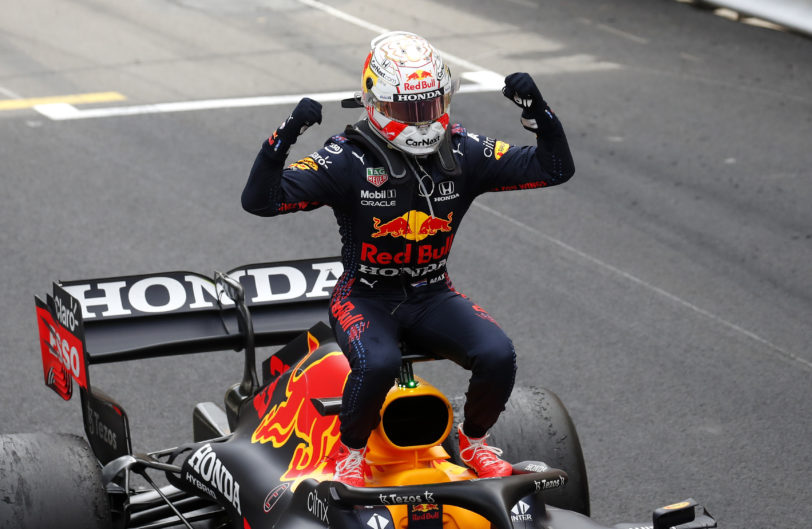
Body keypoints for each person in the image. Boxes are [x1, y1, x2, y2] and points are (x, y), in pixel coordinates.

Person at [241, 31, 574, 487]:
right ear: (375, 104)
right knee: (375, 365)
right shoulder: (346, 158)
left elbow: (554, 168)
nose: (421, 121)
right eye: (407, 109)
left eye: (429, 106)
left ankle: (475, 442)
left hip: (432, 294)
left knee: (497, 353)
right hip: (363, 297)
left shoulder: (464, 150)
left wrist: (540, 113)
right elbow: (260, 200)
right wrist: (286, 134)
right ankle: (351, 455)